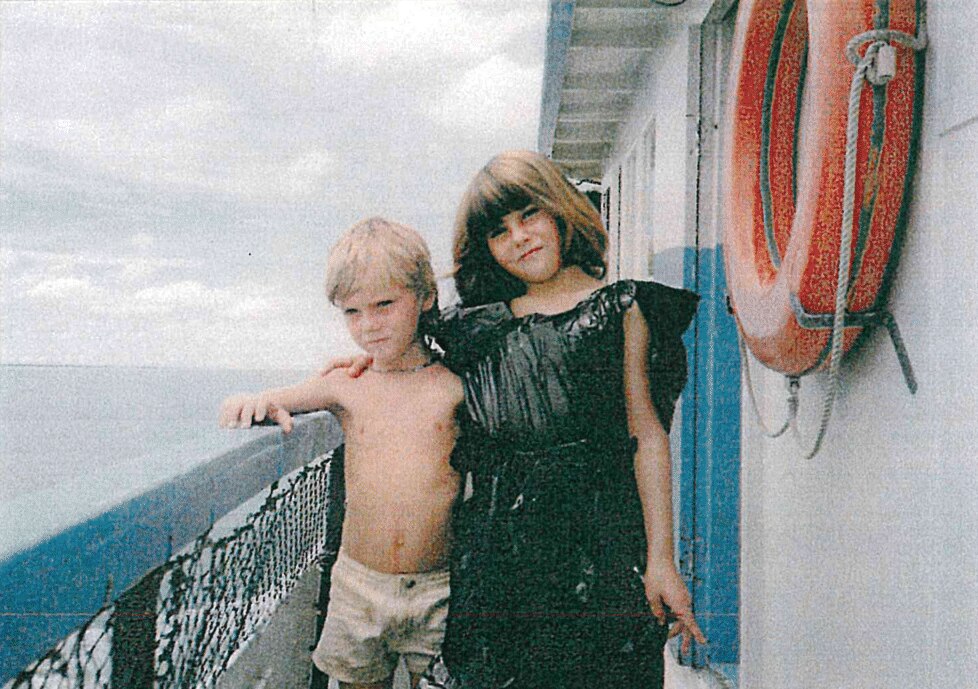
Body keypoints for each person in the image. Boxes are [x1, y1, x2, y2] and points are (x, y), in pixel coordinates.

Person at [330, 151, 706, 689]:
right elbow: (403, 347)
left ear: (559, 210)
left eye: (529, 214)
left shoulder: (622, 308)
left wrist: (662, 562)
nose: (519, 237)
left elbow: (647, 437)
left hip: (600, 553)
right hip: (500, 566)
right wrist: (363, 365)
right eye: (499, 231)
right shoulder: (475, 331)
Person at [219, 217, 463, 689]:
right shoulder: (345, 384)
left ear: (426, 297)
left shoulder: (455, 386)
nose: (369, 325)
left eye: (385, 304)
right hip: (357, 586)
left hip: (440, 588)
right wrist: (249, 403)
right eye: (352, 312)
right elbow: (278, 398)